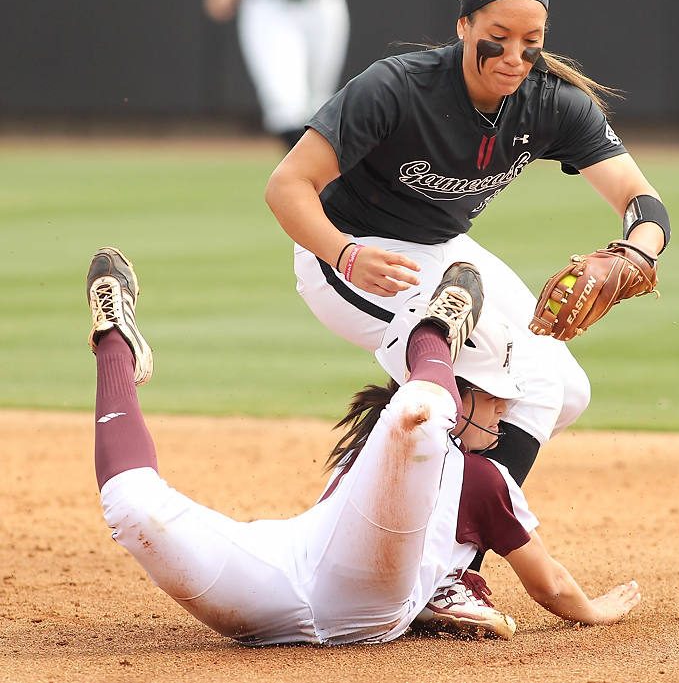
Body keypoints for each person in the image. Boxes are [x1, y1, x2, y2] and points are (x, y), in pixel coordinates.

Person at [264, 0, 670, 621]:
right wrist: (343, 251)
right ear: (462, 25)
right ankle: (446, 572)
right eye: (497, 38)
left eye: (530, 43)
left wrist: (631, 252)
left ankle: (400, 516)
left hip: (440, 251)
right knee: (522, 379)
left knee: (565, 388)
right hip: (351, 256)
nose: (514, 56)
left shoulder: (548, 104)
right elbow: (287, 186)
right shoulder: (395, 88)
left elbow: (642, 199)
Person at [86, 247, 641, 644]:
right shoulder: (478, 478)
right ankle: (115, 344)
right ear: (464, 390)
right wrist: (596, 612)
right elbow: (550, 587)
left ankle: (115, 342)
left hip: (341, 594)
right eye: (495, 398)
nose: (503, 412)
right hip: (275, 582)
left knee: (417, 426)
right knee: (130, 508)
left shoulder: (394, 452)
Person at [203, 0, 367, 148]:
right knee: (285, 103)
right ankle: (307, 175)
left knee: (320, 104)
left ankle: (318, 177)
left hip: (322, 3)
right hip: (270, 2)